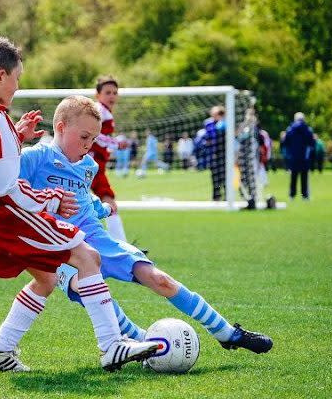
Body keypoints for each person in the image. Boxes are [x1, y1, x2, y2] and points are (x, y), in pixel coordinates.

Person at [0, 37, 157, 373]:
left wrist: (15, 136)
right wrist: (52, 197)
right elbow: (7, 188)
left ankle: (0, 349)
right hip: (6, 214)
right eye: (16, 78)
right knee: (88, 257)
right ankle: (112, 345)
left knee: (46, 278)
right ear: (0, 76)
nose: (17, 86)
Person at [19, 96, 273, 355]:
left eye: (93, 139)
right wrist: (18, 140)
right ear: (61, 128)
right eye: (84, 137)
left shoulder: (88, 166)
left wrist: (102, 207)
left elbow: (83, 198)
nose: (88, 145)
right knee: (89, 291)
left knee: (159, 279)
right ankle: (143, 342)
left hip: (96, 239)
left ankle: (227, 332)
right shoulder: (36, 157)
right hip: (57, 249)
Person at [91, 76, 129, 242]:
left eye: (115, 92)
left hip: (96, 164)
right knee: (108, 200)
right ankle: (121, 244)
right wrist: (116, 143)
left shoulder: (104, 111)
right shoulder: (99, 111)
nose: (112, 96)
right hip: (92, 165)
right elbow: (95, 134)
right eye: (107, 92)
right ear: (97, 94)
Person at [283, 112, 315, 200]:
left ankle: (292, 195)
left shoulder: (290, 129)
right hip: (304, 157)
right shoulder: (307, 129)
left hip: (293, 156)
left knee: (293, 176)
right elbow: (312, 143)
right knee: (304, 177)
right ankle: (304, 195)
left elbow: (285, 142)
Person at [201, 106, 226, 200]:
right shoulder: (208, 123)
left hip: (224, 153)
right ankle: (216, 196)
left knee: (224, 175)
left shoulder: (225, 123)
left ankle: (227, 196)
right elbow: (206, 137)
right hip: (213, 154)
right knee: (214, 176)